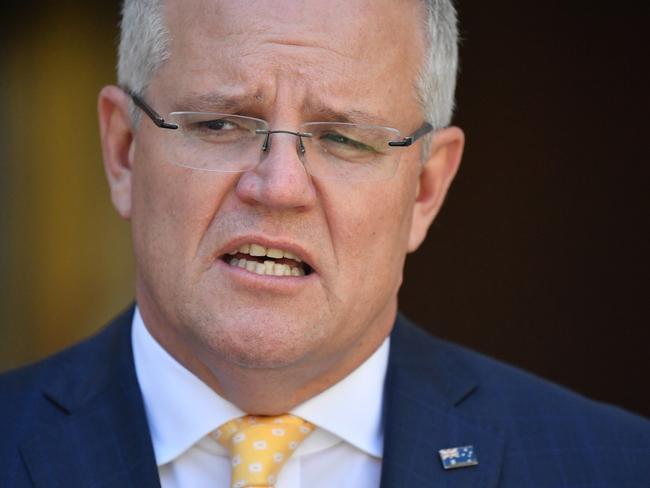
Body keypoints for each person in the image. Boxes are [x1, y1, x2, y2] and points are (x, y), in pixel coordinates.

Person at [1, 0, 648, 486]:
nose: (279, 187)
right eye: (221, 122)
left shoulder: (615, 467)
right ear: (123, 152)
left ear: (425, 188)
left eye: (344, 139)